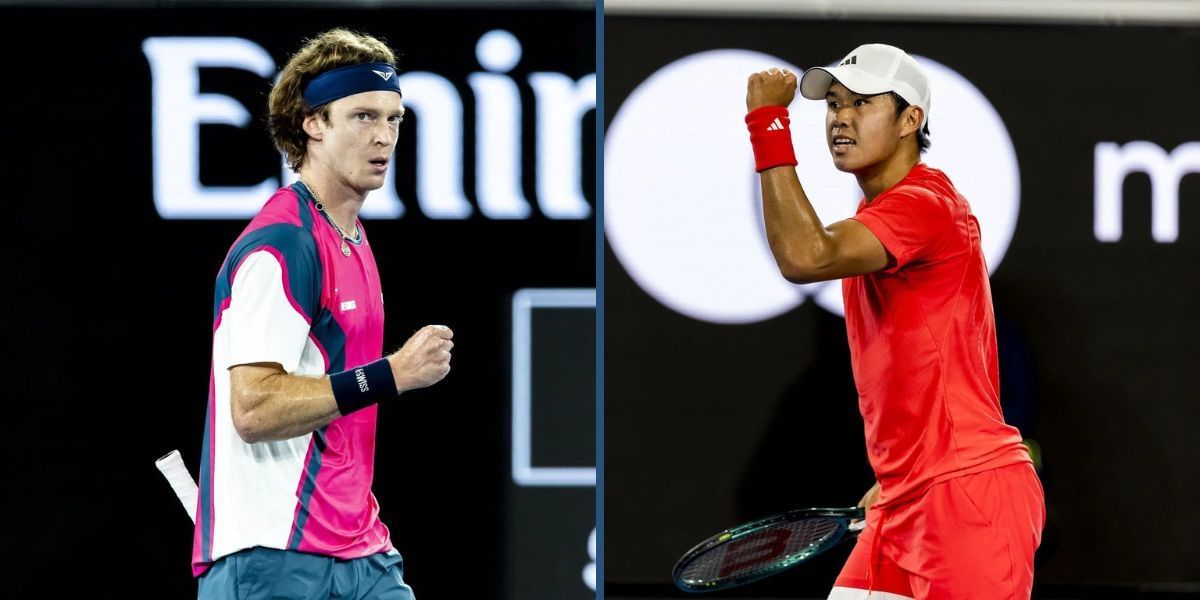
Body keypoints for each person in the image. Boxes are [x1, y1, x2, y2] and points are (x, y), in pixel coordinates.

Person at [743, 44, 1045, 599]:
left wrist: (768, 122)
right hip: (900, 500)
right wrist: (899, 476)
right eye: (834, 104)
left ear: (912, 120)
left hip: (967, 498)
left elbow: (806, 256)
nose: (841, 118)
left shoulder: (927, 203)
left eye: (861, 102)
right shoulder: (876, 220)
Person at [192, 28, 453, 599]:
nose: (384, 136)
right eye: (362, 116)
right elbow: (254, 408)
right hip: (273, 556)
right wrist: (393, 374)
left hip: (361, 551)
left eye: (394, 119)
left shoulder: (351, 234)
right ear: (313, 124)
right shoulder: (283, 243)